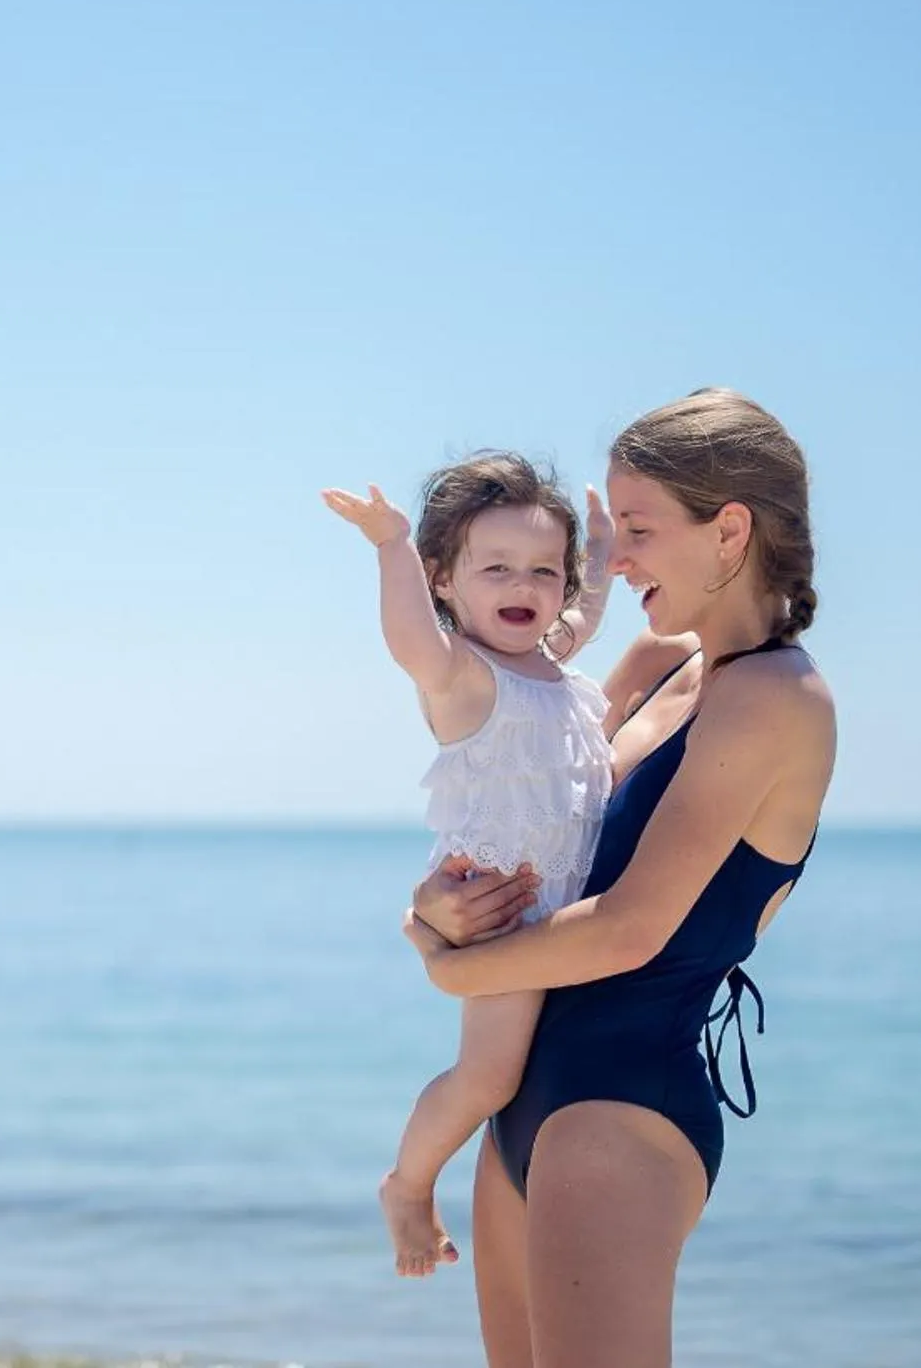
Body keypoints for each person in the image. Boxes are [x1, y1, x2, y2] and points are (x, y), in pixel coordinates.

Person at [402, 390, 836, 1368]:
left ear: (729, 531)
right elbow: (534, 832)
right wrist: (441, 906)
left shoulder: (777, 698)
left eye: (638, 530)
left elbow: (631, 928)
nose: (618, 560)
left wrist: (447, 970)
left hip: (620, 1110)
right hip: (520, 1110)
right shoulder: (653, 663)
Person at [321, 453, 616, 1278]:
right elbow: (409, 638)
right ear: (445, 580)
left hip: (567, 911)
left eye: (542, 571)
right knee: (488, 1077)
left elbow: (587, 608)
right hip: (504, 914)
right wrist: (390, 546)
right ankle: (408, 1184)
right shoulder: (462, 675)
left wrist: (600, 546)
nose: (523, 585)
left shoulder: (555, 663)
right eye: (495, 569)